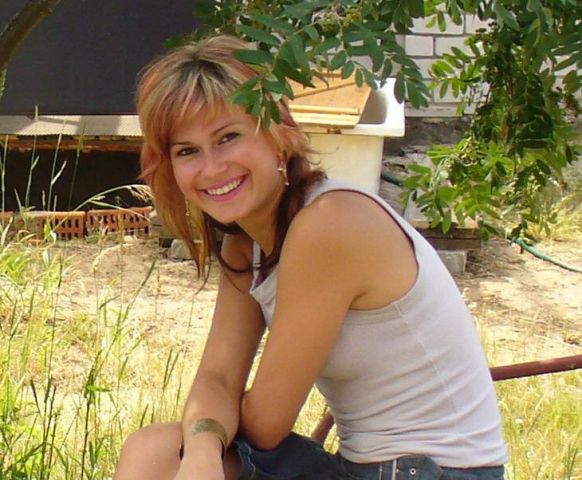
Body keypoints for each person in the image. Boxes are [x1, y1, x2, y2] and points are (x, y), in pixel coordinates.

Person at [114, 35, 507, 480]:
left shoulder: (328, 224)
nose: (212, 167)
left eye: (228, 137)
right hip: (368, 467)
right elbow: (218, 377)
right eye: (187, 150)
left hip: (436, 472)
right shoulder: (246, 243)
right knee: (156, 452)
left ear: (279, 135)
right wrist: (203, 447)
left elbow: (267, 423)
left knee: (163, 457)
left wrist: (209, 431)